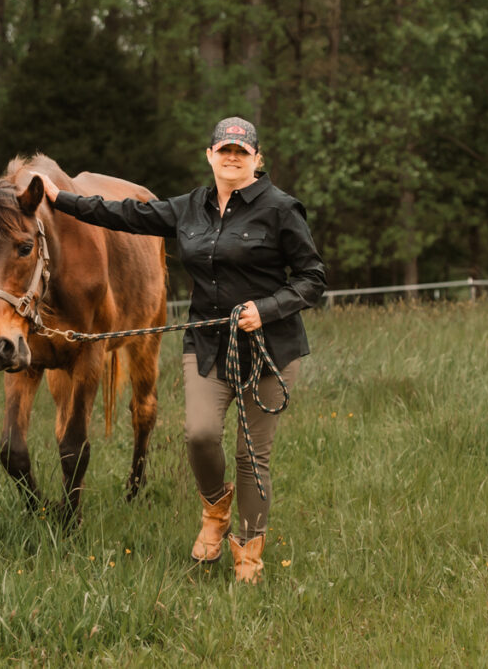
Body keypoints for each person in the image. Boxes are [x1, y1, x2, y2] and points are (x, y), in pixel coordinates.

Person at [33, 117, 326, 583]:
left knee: (253, 455)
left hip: (269, 350)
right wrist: (60, 199)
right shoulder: (190, 208)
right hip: (207, 347)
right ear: (209, 156)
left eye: (242, 151)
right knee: (200, 435)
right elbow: (124, 215)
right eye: (224, 149)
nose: (232, 157)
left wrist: (268, 308)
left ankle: (248, 556)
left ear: (257, 159)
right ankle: (215, 512)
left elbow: (313, 279)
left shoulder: (281, 209)